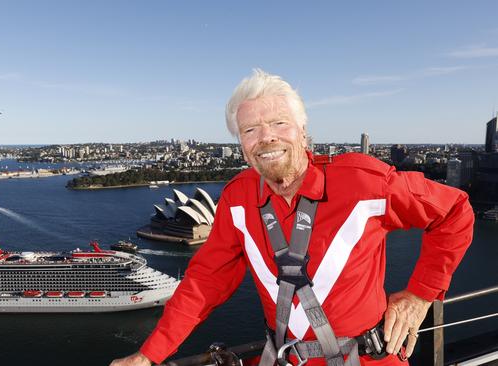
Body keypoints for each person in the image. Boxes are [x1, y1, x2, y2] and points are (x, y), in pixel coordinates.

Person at [110, 69, 474, 366]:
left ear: (303, 132)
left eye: (279, 124)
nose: (266, 137)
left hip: (368, 359)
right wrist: (149, 354)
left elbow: (454, 210)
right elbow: (205, 281)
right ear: (241, 144)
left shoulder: (363, 183)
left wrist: (420, 295)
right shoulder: (238, 198)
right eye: (250, 130)